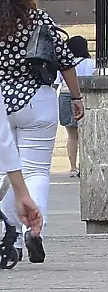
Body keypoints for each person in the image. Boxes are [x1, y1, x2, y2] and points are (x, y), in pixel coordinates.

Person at [0, 0, 82, 264]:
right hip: (37, 99)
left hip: (2, 103)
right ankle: (32, 231)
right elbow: (64, 59)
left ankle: (9, 237)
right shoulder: (38, 20)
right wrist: (76, 96)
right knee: (35, 171)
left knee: (10, 170)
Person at [0, 107, 45, 265]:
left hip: (7, 96)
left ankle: (13, 241)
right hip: (36, 96)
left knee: (3, 170)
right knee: (36, 171)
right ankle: (28, 233)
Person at [58, 35, 93, 178]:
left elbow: (57, 81)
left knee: (72, 135)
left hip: (64, 96)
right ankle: (84, 164)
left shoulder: (64, 62)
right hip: (80, 97)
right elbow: (90, 79)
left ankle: (73, 167)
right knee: (84, 134)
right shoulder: (89, 62)